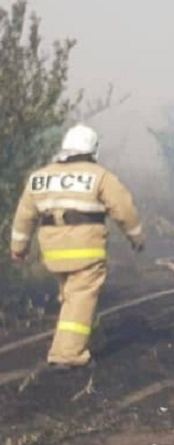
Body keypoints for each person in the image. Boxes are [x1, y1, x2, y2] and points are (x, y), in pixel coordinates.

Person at [9, 124, 144, 371]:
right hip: (86, 249)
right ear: (93, 149)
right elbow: (124, 209)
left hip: (52, 250)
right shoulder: (99, 176)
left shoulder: (40, 177)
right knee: (81, 298)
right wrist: (136, 238)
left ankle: (87, 337)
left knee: (71, 297)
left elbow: (24, 215)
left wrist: (19, 246)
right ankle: (67, 355)